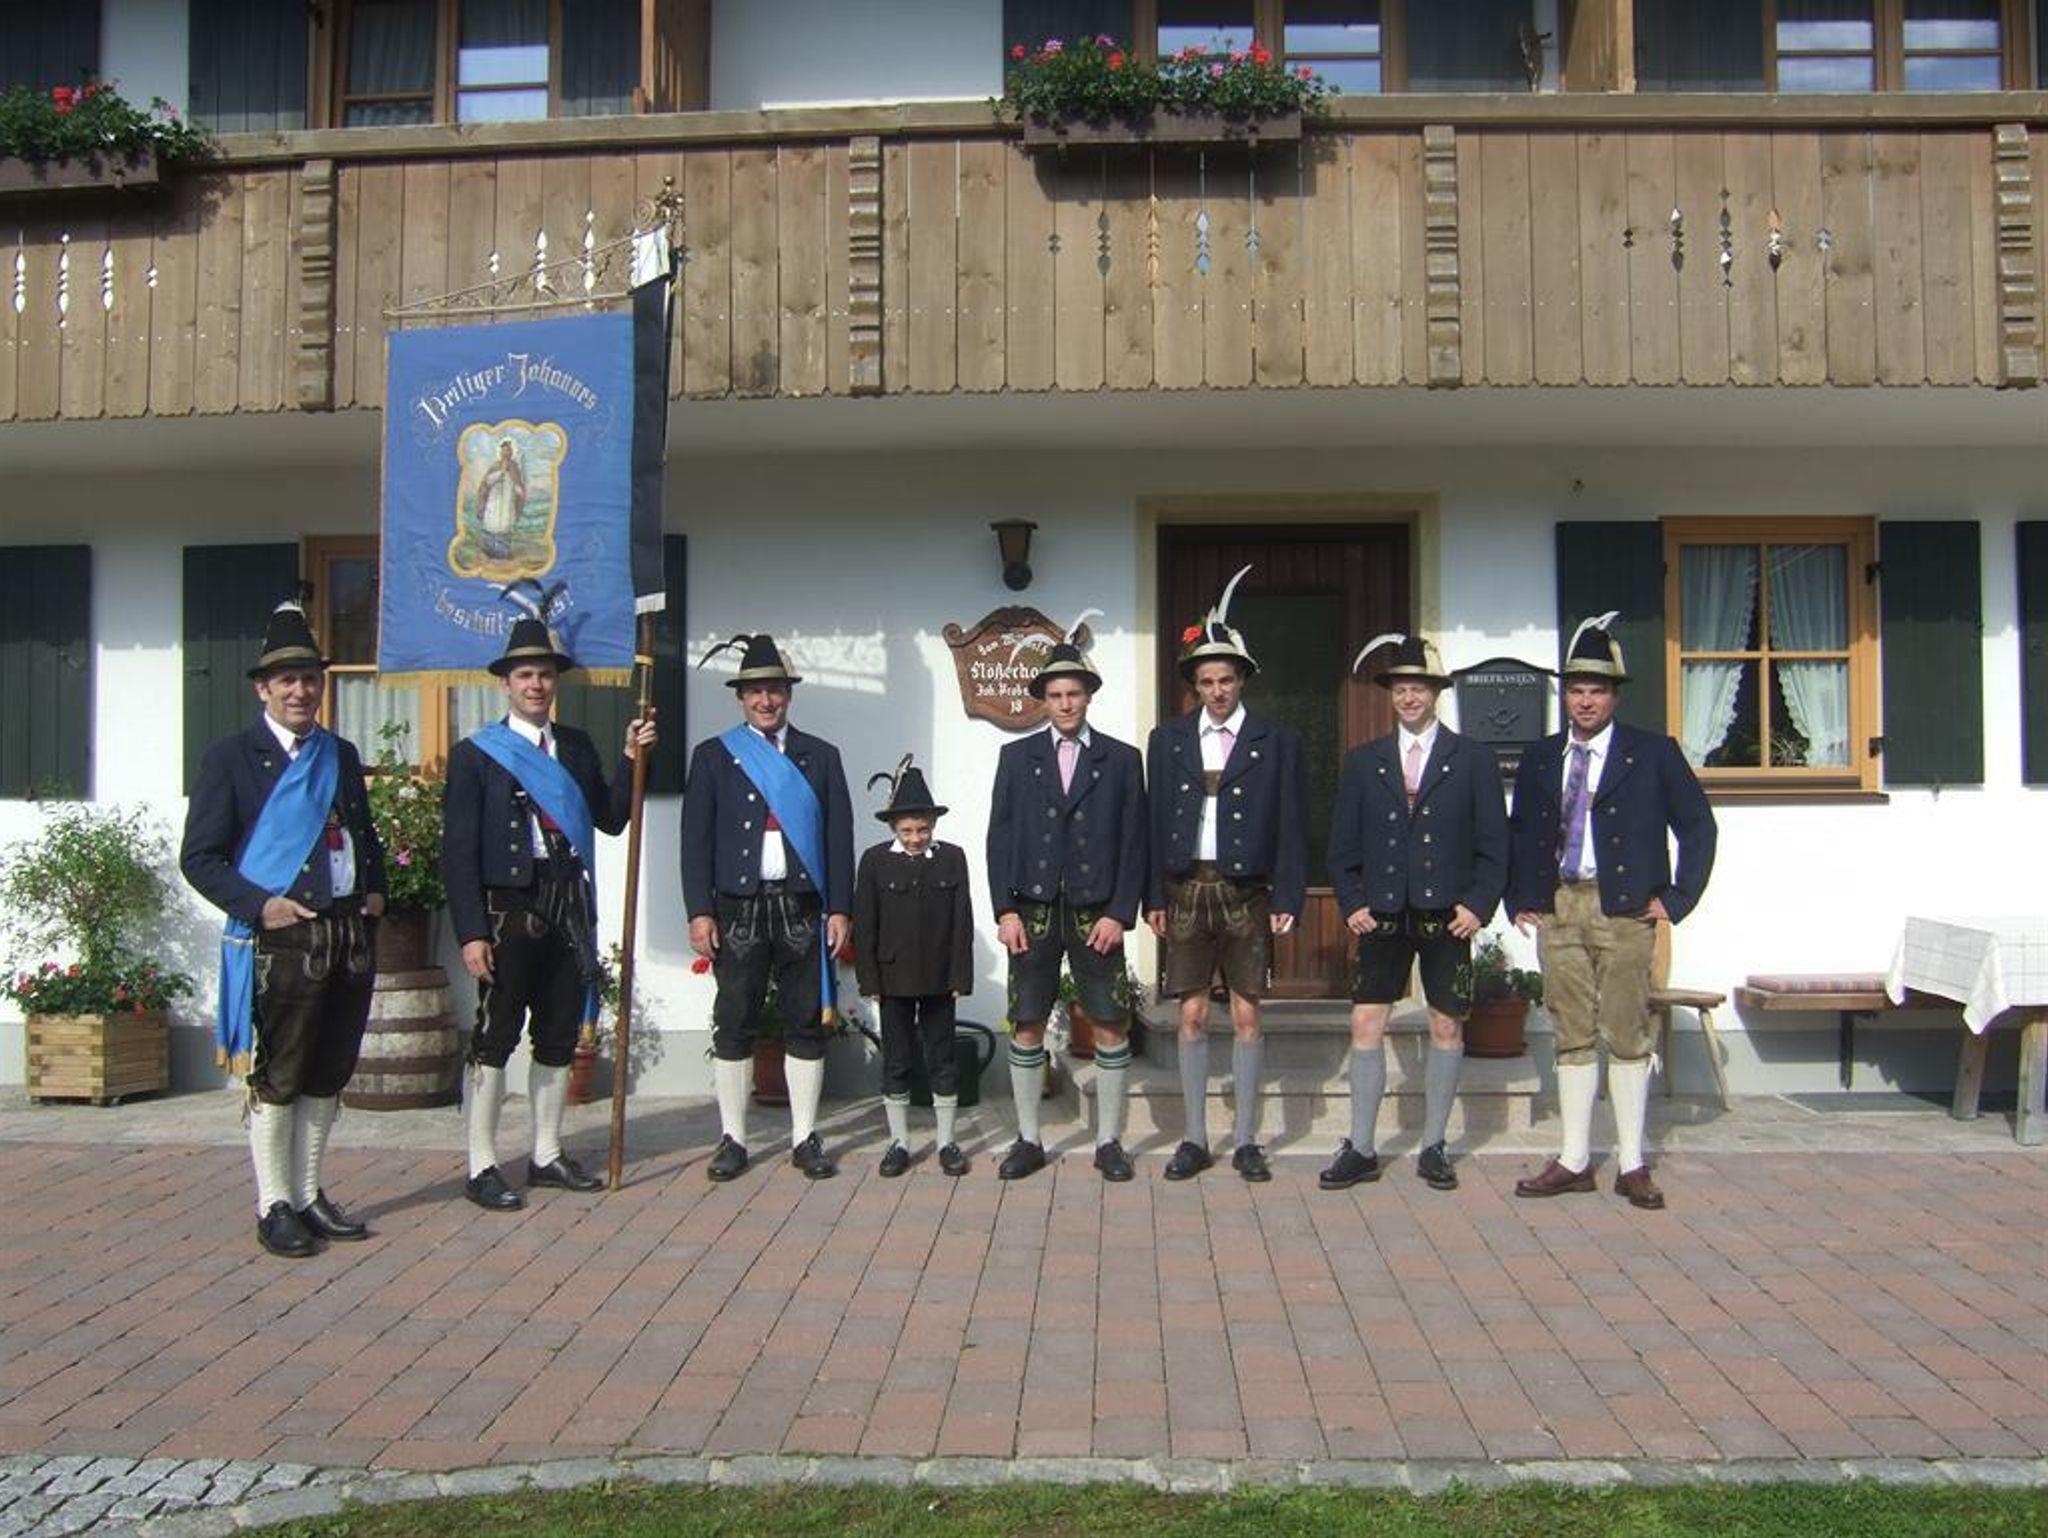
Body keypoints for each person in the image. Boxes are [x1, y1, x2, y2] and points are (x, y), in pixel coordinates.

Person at [181, 600, 387, 1260]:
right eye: (287, 680)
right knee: (281, 1074)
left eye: (310, 679)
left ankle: (308, 1192)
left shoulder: (339, 754)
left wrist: (376, 889)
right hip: (283, 939)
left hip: (347, 934)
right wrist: (259, 905)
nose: (301, 691)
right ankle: (273, 1203)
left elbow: (362, 834)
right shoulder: (230, 759)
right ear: (262, 689)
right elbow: (200, 858)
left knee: (329, 1071)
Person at [441, 597, 655, 1211]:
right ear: (506, 684)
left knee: (559, 1035)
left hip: (569, 903)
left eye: (544, 674)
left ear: (555, 682)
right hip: (508, 908)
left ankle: (545, 1152)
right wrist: (471, 932)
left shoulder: (578, 748)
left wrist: (631, 758)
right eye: (525, 675)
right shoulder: (476, 755)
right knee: (495, 1037)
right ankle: (481, 1164)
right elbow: (458, 852)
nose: (536, 684)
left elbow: (610, 818)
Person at [1506, 613, 1716, 1211]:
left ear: (1614, 696)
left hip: (1625, 909)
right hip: (1560, 905)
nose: (1585, 701)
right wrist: (1520, 897)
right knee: (1571, 1030)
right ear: (1565, 696)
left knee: (1626, 1032)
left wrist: (1675, 898)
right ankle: (1574, 1159)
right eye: (1576, 690)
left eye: (1597, 691)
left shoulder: (1652, 753)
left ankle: (1631, 1162)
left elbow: (1698, 828)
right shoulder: (1542, 756)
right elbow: (1523, 831)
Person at [1323, 634, 1507, 1193]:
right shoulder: (1364, 761)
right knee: (1366, 1023)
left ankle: (1433, 1146)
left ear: (1436, 693)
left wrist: (1479, 904)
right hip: (1380, 913)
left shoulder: (1472, 759)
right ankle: (1361, 1147)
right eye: (1401, 688)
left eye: (1419, 689)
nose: (1409, 698)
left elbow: (1494, 843)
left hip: (1448, 913)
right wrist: (1352, 901)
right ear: (1391, 694)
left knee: (1446, 1024)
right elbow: (1341, 844)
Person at [1147, 567, 1307, 1184]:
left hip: (1247, 892)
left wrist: (1289, 893)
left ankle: (1245, 1141)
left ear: (1242, 680)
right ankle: (1194, 1138)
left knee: (1246, 1016)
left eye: (1226, 679)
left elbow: (1292, 822)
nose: (1217, 690)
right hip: (1186, 889)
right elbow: (1153, 819)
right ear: (1195, 685)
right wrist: (1152, 894)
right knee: (1190, 1015)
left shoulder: (1277, 739)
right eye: (1206, 681)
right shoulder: (1168, 739)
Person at [682, 634, 854, 1181]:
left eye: (774, 690)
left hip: (802, 905)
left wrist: (840, 908)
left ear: (788, 694)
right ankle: (733, 1138)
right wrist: (699, 911)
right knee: (735, 1020)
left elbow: (839, 838)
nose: (765, 700)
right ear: (741, 697)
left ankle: (804, 1137)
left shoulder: (821, 756)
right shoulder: (713, 757)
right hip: (738, 907)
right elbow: (695, 841)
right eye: (755, 691)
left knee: (805, 1021)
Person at [986, 612, 1147, 1181]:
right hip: (1030, 910)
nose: (1065, 704)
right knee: (1027, 1021)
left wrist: (1120, 913)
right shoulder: (1016, 758)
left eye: (1074, 693)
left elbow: (1135, 842)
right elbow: (999, 836)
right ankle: (1029, 1138)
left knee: (1109, 1021)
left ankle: (1108, 1141)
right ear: (1043, 700)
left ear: (1088, 695)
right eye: (1055, 695)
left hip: (1095, 912)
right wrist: (1004, 909)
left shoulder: (1121, 760)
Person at [852, 757, 974, 1177]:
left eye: (923, 829)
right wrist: (869, 978)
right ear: (893, 828)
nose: (916, 838)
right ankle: (899, 1141)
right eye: (907, 831)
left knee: (943, 1058)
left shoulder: (953, 858)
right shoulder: (874, 861)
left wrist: (960, 975)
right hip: (893, 979)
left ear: (933, 825)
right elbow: (865, 923)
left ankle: (947, 1141)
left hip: (940, 977)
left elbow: (962, 921)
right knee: (897, 1061)